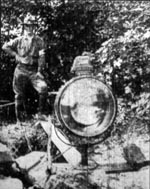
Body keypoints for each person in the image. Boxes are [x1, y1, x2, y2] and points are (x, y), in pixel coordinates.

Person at [2, 13, 48, 124]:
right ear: (24, 27)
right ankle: (20, 121)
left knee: (43, 88)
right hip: (21, 70)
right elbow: (5, 47)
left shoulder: (39, 41)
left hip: (33, 71)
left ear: (34, 27)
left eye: (32, 26)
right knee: (19, 95)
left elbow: (42, 57)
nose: (30, 28)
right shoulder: (19, 40)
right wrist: (15, 55)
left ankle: (40, 114)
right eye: (27, 26)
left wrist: (39, 71)